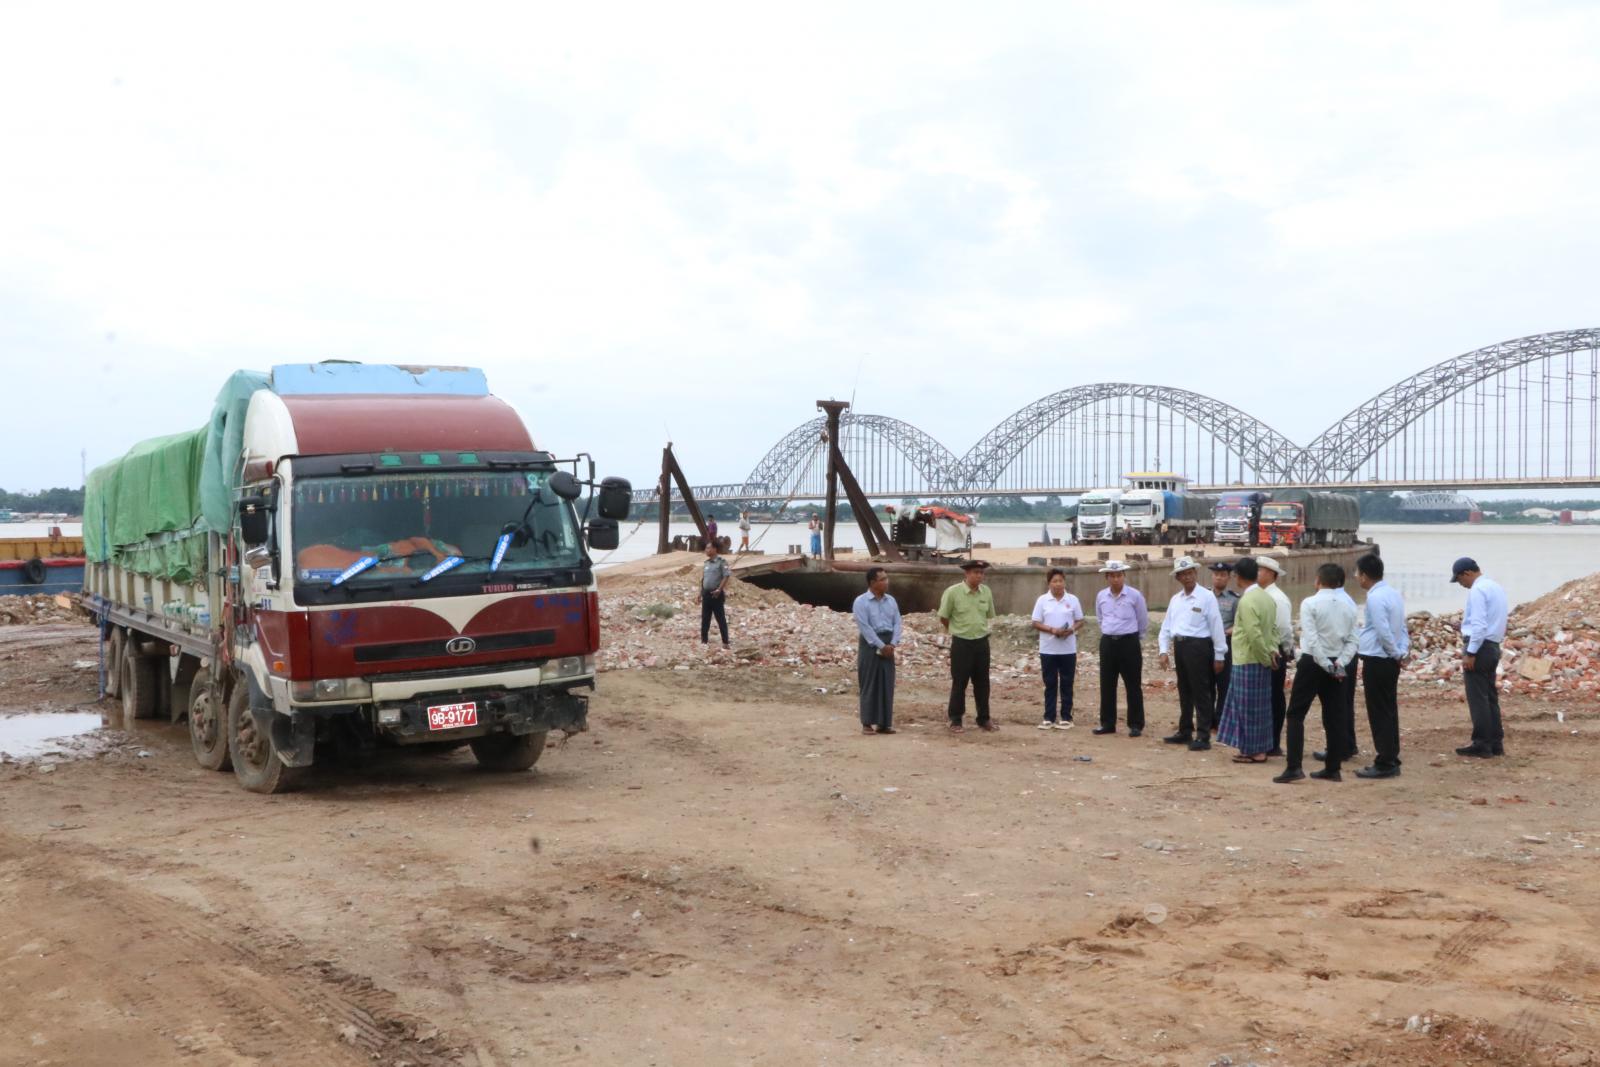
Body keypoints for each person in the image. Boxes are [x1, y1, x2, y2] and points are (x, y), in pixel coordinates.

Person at [1275, 564, 1359, 784]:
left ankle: (1294, 766)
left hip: (1313, 661)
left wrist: (1325, 663)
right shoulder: (1349, 605)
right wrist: (1339, 663)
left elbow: (1312, 639)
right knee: (1334, 716)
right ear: (1339, 583)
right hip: (1337, 661)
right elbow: (1353, 640)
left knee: (1296, 714)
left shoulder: (1310, 603)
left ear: (1318, 581)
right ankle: (1333, 767)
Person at [1158, 557, 1227, 750]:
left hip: (1199, 647)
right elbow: (1166, 627)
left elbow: (1216, 626)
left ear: (1196, 573)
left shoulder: (1206, 597)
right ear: (1178, 578)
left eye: (1190, 573)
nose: (1187, 577)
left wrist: (1219, 654)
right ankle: (1185, 730)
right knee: (1185, 690)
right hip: (1180, 646)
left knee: (1201, 691)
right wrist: (1163, 650)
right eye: (1183, 574)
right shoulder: (1176, 599)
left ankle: (1203, 735)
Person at [1354, 552, 1408, 779]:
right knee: (1388, 708)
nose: (1356, 577)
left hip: (1378, 658)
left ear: (1364, 575)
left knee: (1379, 711)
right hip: (1389, 658)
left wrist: (1395, 652)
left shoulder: (1375, 598)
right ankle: (1391, 755)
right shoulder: (1393, 594)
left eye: (1357, 573)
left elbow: (1382, 630)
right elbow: (1401, 626)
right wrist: (1402, 650)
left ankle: (1385, 762)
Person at [1216, 557, 1276, 763]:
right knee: (1260, 707)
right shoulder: (1266, 597)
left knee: (1246, 709)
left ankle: (1253, 751)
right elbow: (1272, 629)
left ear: (1238, 577)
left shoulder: (1247, 600)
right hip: (1261, 658)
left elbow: (1253, 633)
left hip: (1248, 660)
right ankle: (1260, 748)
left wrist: (1265, 657)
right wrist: (1271, 652)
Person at [1451, 557, 1508, 758]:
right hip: (1493, 645)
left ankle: (1482, 743)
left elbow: (1479, 625)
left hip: (1480, 648)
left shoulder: (1477, 590)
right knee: (1490, 697)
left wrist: (1471, 652)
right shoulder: (1495, 587)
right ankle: (1495, 743)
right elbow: (1492, 620)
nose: (1461, 584)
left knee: (1478, 698)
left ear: (1466, 573)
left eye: (1459, 580)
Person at [939, 559, 998, 734]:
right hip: (961, 643)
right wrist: (956, 630)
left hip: (981, 642)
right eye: (975, 572)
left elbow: (989, 615)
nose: (979, 576)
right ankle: (955, 720)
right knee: (960, 682)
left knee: (982, 682)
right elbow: (944, 616)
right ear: (966, 574)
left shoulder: (986, 592)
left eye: (981, 573)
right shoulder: (953, 592)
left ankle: (984, 719)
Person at [1093, 560, 1149, 737]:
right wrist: (1109, 631)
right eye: (1112, 576)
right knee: (1107, 684)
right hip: (1108, 642)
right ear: (1107, 577)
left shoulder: (1135, 595)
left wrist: (1135, 639)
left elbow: (1142, 620)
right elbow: (1100, 618)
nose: (1116, 579)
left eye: (1119, 575)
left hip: (1129, 642)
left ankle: (1136, 724)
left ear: (1124, 576)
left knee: (1133, 684)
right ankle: (1108, 723)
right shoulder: (1101, 596)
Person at [1031, 568, 1085, 729]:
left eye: (1060, 581)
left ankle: (1066, 717)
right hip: (1048, 649)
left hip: (1068, 649)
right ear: (1049, 583)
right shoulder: (1042, 600)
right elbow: (1035, 622)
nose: (1058, 584)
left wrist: (1071, 630)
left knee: (1067, 683)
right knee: (1050, 683)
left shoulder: (1072, 599)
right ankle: (1049, 717)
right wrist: (1052, 630)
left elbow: (1080, 620)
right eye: (1054, 581)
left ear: (1064, 582)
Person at [852, 567, 902, 735]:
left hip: (889, 643)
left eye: (887, 578)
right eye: (883, 579)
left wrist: (893, 644)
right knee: (870, 682)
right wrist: (881, 645)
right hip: (870, 645)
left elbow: (897, 623)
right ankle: (867, 723)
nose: (887, 582)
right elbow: (865, 628)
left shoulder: (891, 601)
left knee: (887, 683)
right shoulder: (861, 602)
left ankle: (884, 723)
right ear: (873, 583)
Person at [1256, 554, 1294, 756]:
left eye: (1260, 570)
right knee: (1265, 696)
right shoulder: (1260, 595)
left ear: (1271, 574)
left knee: (1274, 696)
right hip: (1263, 649)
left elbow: (1284, 629)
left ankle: (1273, 742)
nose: (1257, 573)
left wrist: (1285, 650)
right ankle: (1265, 739)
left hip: (1274, 650)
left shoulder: (1277, 598)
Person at [1210, 561, 1240, 709]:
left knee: (1224, 684)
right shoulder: (1204, 596)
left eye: (1222, 575)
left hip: (1226, 644)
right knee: (1206, 683)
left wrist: (1224, 633)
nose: (1219, 578)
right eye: (1216, 574)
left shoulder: (1234, 599)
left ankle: (1221, 717)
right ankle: (1207, 718)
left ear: (1228, 577)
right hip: (1205, 644)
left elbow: (1239, 624)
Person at [697, 541, 731, 647]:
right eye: (706, 548)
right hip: (706, 594)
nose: (706, 550)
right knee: (705, 619)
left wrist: (719, 589)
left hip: (716, 595)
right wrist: (700, 593)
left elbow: (726, 576)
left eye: (708, 548)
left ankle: (725, 642)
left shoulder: (721, 562)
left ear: (715, 549)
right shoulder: (706, 563)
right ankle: (704, 641)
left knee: (720, 619)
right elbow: (704, 579)